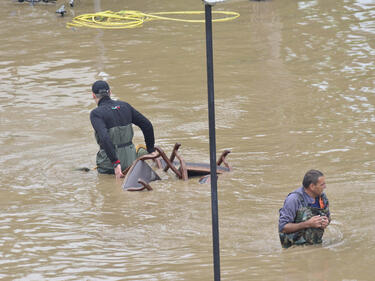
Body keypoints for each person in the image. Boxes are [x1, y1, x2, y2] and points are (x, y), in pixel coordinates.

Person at [90, 80, 156, 178]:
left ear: (93, 96)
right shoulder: (125, 106)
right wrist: (151, 150)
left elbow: (104, 138)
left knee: (84, 171)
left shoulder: (96, 114)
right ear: (110, 92)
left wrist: (116, 163)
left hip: (110, 166)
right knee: (141, 151)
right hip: (131, 161)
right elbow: (147, 125)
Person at [278, 169, 330, 248]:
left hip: (315, 245)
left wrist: (326, 222)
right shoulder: (293, 199)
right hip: (294, 249)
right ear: (312, 186)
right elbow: (283, 227)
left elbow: (328, 217)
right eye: (322, 184)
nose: (325, 187)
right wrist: (307, 224)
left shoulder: (322, 197)